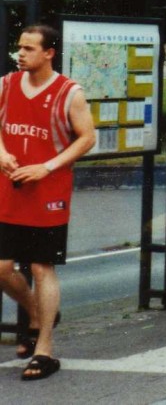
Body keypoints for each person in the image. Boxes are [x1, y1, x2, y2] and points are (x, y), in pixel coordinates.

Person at [0, 24, 97, 381]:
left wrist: (48, 166)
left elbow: (87, 138)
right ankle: (36, 312)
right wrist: (2, 153)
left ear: (49, 53)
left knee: (42, 268)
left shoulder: (69, 92)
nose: (20, 54)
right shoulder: (7, 84)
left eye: (28, 49)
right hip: (8, 188)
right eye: (19, 48)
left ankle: (44, 348)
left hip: (48, 191)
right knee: (1, 266)